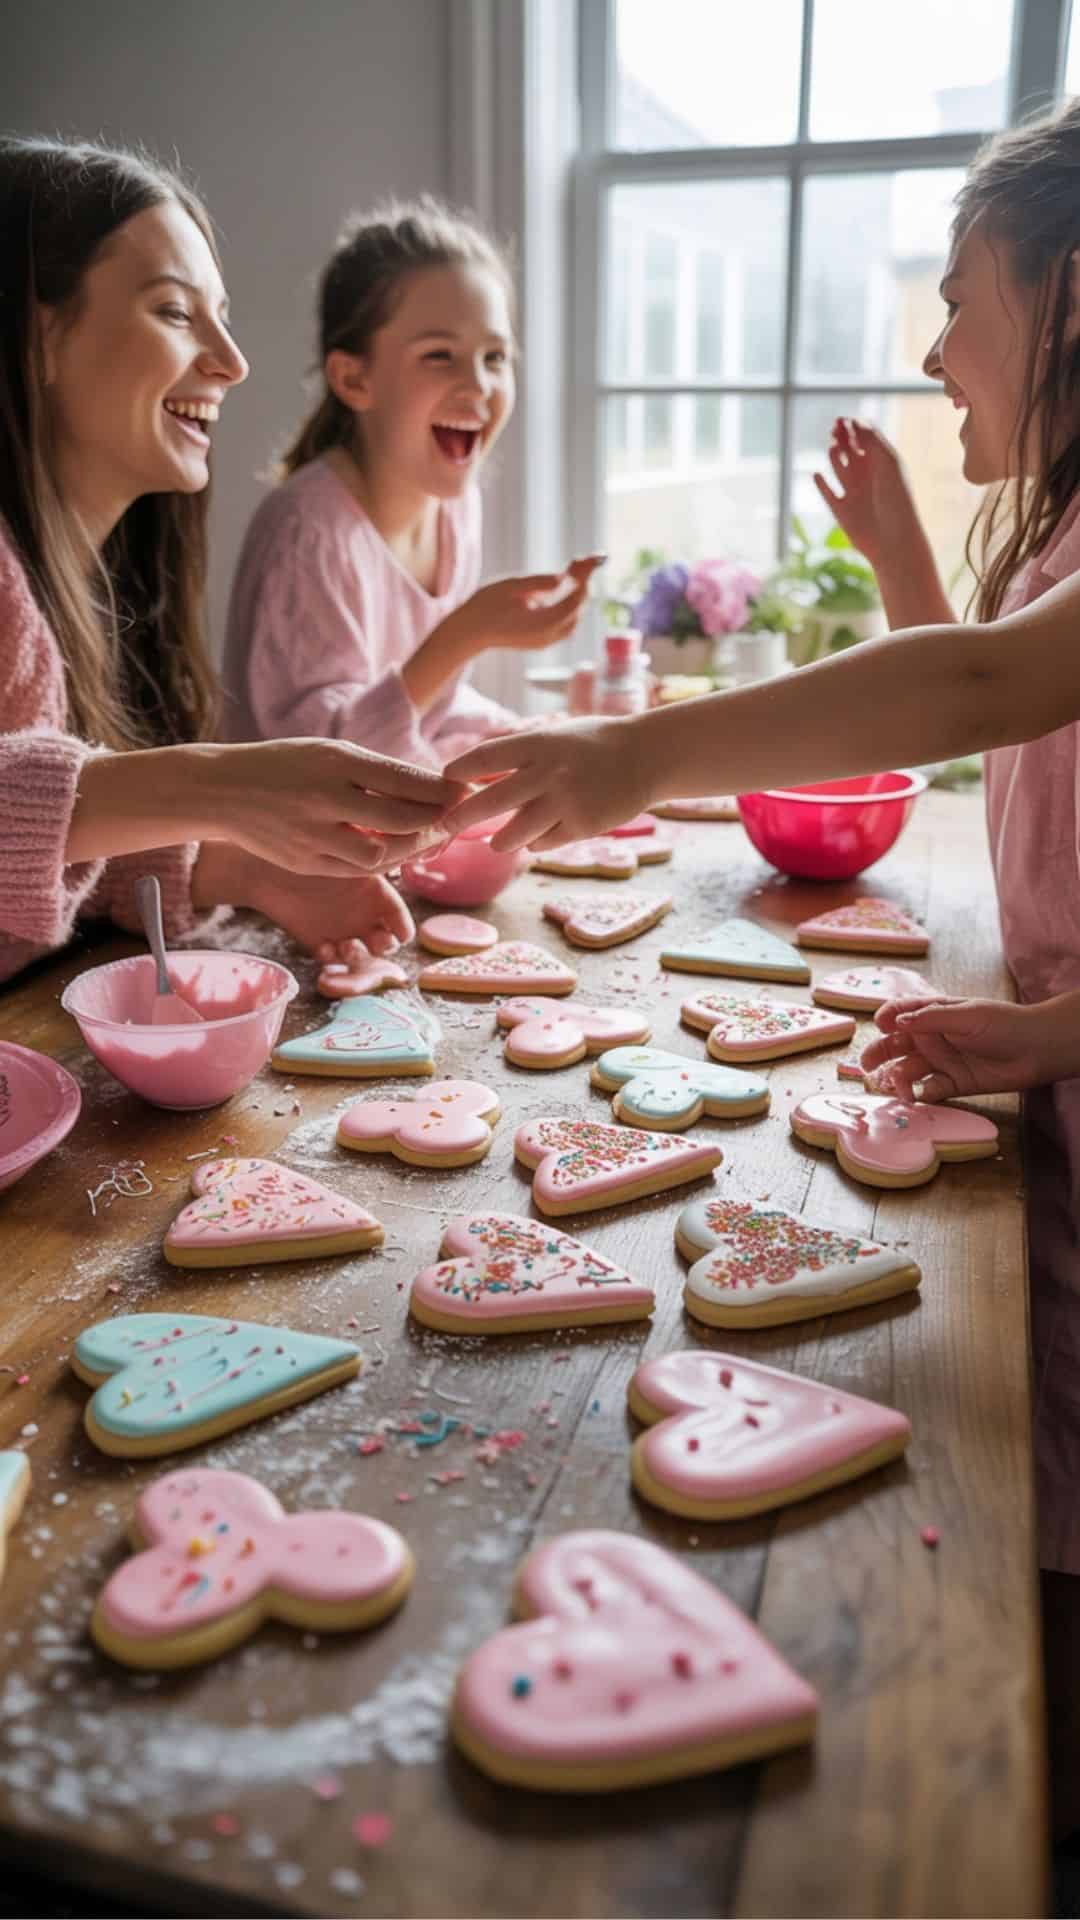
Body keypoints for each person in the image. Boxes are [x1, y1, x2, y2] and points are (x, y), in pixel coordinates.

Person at [444, 98, 1080, 1831]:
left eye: (963, 303)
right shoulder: (1056, 545)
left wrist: (634, 760)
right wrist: (1048, 1033)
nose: (937, 348)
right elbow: (988, 682)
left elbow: (971, 696)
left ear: (1077, 305)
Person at [0, 136, 459, 987]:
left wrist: (246, 868)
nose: (233, 362)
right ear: (39, 336)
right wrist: (218, 786)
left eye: (223, 315)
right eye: (176, 312)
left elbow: (47, 862)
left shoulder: (106, 583)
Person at [222, 196, 602, 768]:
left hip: (394, 841)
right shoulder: (310, 532)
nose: (478, 387)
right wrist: (463, 636)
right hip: (290, 854)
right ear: (353, 378)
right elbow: (326, 764)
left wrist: (526, 734)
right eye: (440, 356)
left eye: (495, 357)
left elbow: (424, 710)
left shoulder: (455, 508)